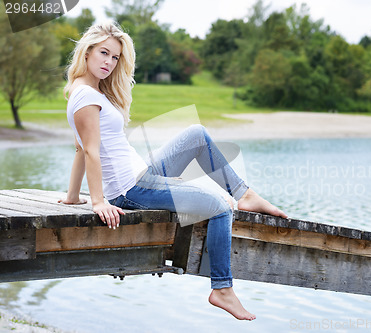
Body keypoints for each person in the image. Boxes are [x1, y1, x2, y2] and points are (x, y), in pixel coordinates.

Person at [58, 21, 287, 321]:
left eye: (115, 58)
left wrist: (74, 196)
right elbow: (89, 151)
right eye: (103, 53)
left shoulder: (85, 89)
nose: (109, 63)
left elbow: (78, 148)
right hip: (132, 190)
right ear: (87, 52)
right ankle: (222, 289)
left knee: (197, 134)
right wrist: (98, 201)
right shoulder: (86, 96)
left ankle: (246, 193)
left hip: (142, 173)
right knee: (220, 207)